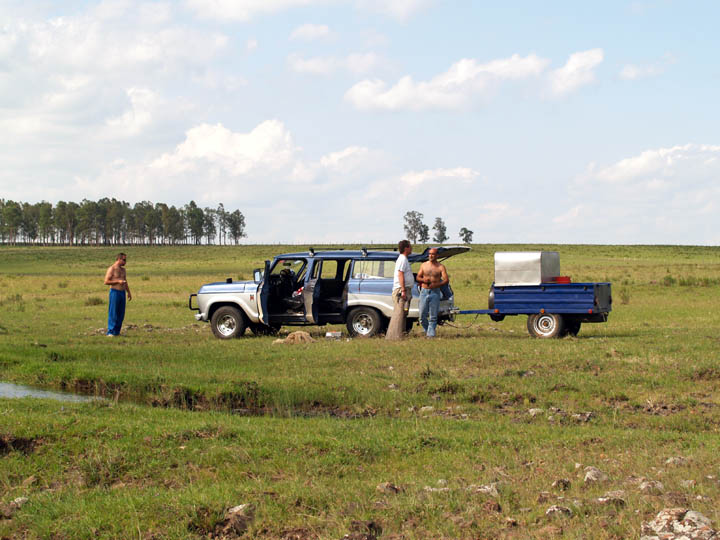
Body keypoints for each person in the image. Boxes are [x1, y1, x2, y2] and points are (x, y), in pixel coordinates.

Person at [416, 248, 449, 338]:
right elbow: (418, 277)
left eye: (433, 254)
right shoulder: (424, 265)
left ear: (437, 255)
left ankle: (430, 335)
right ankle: (428, 331)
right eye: (430, 254)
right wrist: (423, 280)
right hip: (424, 291)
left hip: (435, 292)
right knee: (422, 316)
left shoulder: (441, 267)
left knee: (433, 315)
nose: (431, 256)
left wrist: (437, 284)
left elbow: (446, 280)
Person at [386, 239, 414, 340]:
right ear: (406, 248)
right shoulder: (402, 259)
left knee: (403, 313)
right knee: (399, 312)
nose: (411, 248)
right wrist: (403, 290)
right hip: (401, 290)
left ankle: (401, 333)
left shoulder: (404, 259)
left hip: (405, 289)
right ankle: (394, 336)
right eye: (410, 246)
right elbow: (400, 274)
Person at [104, 252, 132, 336]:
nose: (125, 262)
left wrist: (129, 292)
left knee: (121, 313)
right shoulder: (112, 269)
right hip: (114, 292)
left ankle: (117, 332)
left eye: (125, 260)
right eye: (124, 260)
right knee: (113, 312)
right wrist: (117, 281)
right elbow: (106, 281)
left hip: (122, 293)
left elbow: (125, 281)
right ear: (119, 259)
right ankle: (110, 331)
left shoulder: (123, 270)